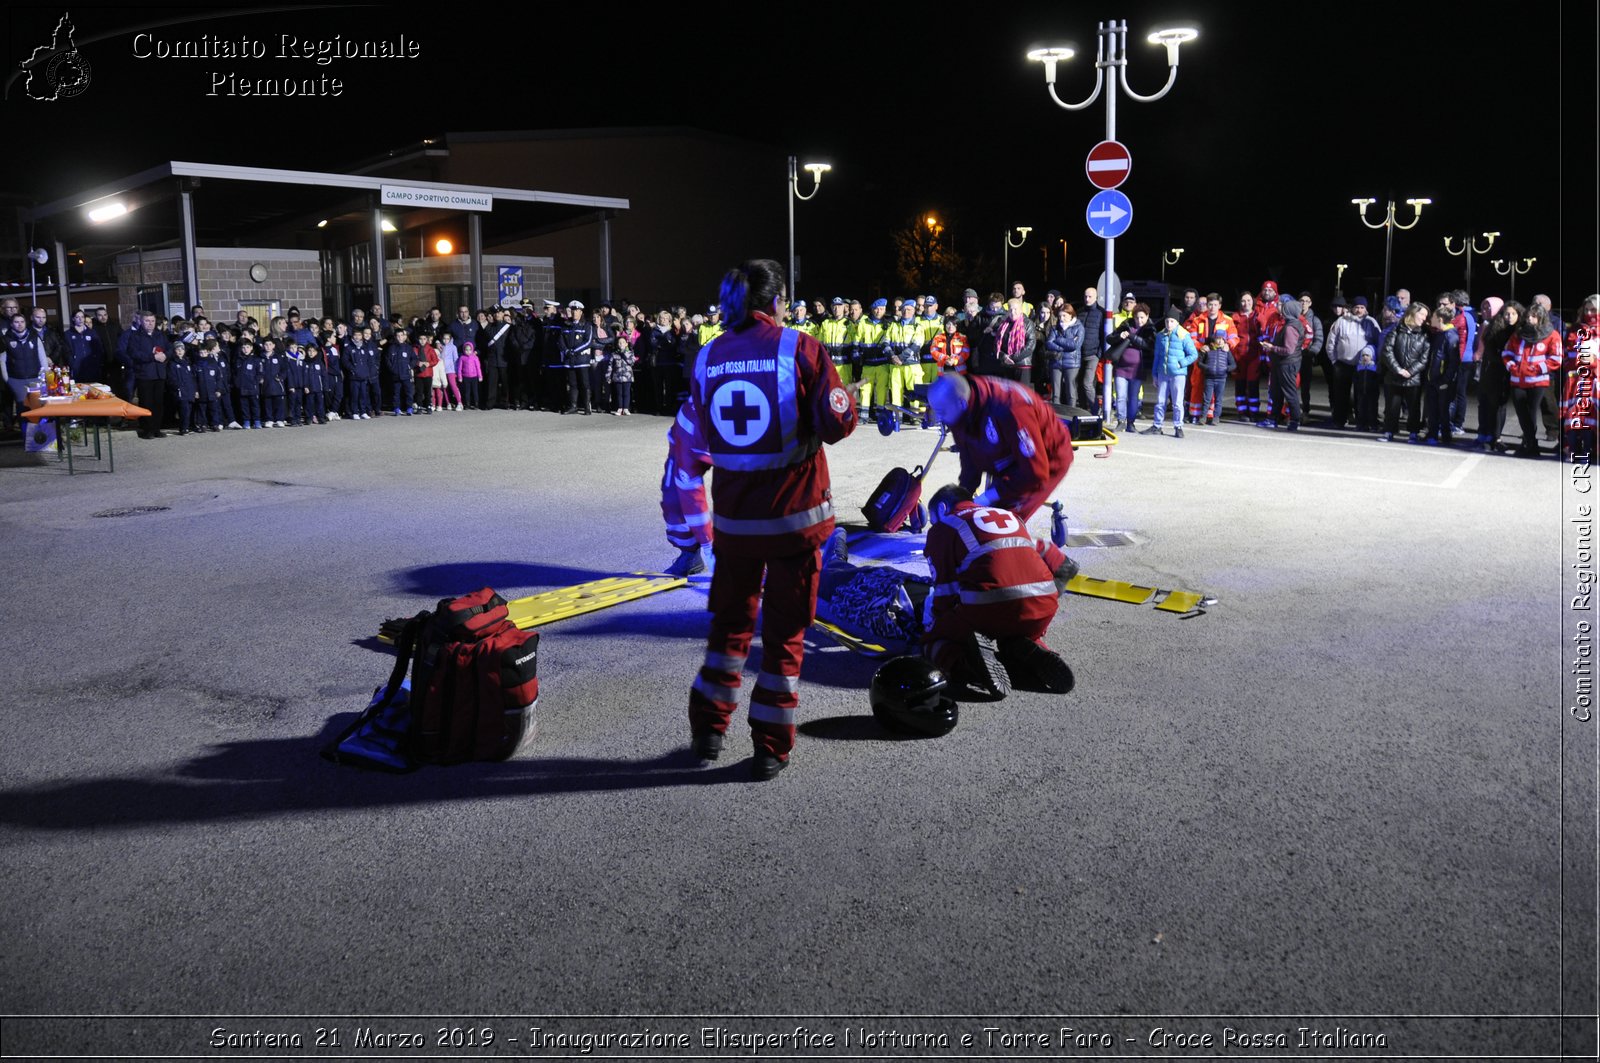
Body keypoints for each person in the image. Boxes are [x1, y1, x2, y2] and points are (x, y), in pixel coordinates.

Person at [681, 258, 857, 780]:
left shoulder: (707, 355)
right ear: (778, 301)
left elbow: (705, 430)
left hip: (735, 523)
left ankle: (708, 730)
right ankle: (769, 747)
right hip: (793, 521)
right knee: (783, 635)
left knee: (729, 628)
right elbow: (837, 424)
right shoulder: (799, 347)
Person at [921, 484, 1076, 699]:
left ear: (942, 507)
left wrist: (941, 625)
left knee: (932, 640)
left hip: (989, 607)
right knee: (1017, 630)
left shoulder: (944, 527)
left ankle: (967, 666)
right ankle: (1031, 649)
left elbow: (944, 592)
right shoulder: (1008, 516)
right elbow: (1061, 564)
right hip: (1043, 606)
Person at [927, 371, 1073, 525]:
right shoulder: (960, 404)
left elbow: (1034, 471)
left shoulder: (1011, 408)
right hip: (1009, 458)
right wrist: (963, 497)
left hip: (1044, 460)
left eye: (941, 412)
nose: (940, 418)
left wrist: (990, 496)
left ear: (962, 403)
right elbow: (968, 454)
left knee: (1002, 523)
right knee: (980, 520)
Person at [1502, 301, 1563, 457]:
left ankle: (1529, 444)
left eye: (1533, 317)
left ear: (1541, 318)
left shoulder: (1552, 335)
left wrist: (1536, 369)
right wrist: (1512, 366)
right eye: (1528, 316)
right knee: (1522, 413)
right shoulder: (1518, 333)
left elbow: (1556, 358)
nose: (1529, 319)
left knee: (1531, 412)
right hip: (1517, 380)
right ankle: (1530, 442)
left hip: (1538, 381)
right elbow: (1507, 352)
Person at [1379, 303, 1431, 442]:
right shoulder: (1396, 330)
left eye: (1426, 316)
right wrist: (1398, 369)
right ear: (1412, 313)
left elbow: (1424, 358)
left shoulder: (1424, 334)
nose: (1424, 318)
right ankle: (1389, 431)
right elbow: (1387, 352)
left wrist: (1410, 371)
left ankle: (1413, 433)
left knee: (1414, 407)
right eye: (1422, 314)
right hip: (1394, 376)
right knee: (1392, 406)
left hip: (1413, 378)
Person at [1144, 312, 1199, 437]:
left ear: (1177, 322)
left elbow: (1193, 354)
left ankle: (1178, 427)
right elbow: (1157, 356)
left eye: (1172, 321)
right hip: (1163, 373)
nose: (1169, 324)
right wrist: (1154, 374)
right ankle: (1157, 425)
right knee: (1160, 401)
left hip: (1178, 374)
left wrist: (1181, 363)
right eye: (1167, 321)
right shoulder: (1160, 336)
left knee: (1177, 402)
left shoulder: (1183, 335)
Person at [1260, 293, 1306, 430]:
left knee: (1289, 393)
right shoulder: (1291, 324)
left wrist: (1272, 347)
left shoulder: (1291, 327)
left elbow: (1288, 350)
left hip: (1286, 364)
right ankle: (1273, 418)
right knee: (1276, 393)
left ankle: (1294, 421)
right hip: (1281, 364)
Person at [1562, 296, 1599, 461]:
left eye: (1594, 310)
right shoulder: (1575, 330)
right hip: (1576, 380)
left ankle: (1591, 450)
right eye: (1587, 310)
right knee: (1575, 415)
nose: (1590, 313)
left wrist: (1595, 362)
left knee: (1592, 417)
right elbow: (1567, 356)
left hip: (1597, 380)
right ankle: (1574, 448)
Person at [1421, 306, 1461, 445]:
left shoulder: (1451, 335)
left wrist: (1446, 379)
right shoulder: (1440, 334)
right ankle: (1432, 434)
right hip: (1433, 378)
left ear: (1440, 319)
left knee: (1443, 410)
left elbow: (1453, 362)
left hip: (1443, 381)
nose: (1430, 319)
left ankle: (1446, 436)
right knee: (1433, 409)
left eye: (1432, 317)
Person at [557, 301, 595, 415]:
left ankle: (587, 406)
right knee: (572, 384)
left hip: (582, 360)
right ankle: (573, 406)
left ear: (581, 312)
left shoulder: (586, 325)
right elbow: (560, 341)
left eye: (576, 310)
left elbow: (588, 342)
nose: (574, 313)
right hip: (570, 360)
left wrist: (574, 351)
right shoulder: (566, 325)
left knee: (584, 384)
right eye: (572, 310)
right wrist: (567, 351)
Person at [1042, 303, 1083, 405]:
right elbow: (1049, 343)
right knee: (1055, 393)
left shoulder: (1078, 327)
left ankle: (1071, 414)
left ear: (1071, 315)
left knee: (1071, 392)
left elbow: (1075, 345)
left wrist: (1058, 340)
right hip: (1056, 361)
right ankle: (1056, 415)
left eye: (1064, 315)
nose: (1061, 318)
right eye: (1060, 316)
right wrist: (1064, 346)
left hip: (1072, 362)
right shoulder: (1055, 328)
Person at [457, 341, 483, 411]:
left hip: (474, 377)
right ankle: (467, 404)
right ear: (464, 350)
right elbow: (459, 368)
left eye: (469, 350)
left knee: (475, 391)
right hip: (465, 377)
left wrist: (480, 376)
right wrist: (460, 376)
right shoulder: (462, 357)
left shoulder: (475, 357)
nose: (468, 351)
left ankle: (476, 404)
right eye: (466, 350)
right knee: (467, 391)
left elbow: (478, 367)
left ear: (472, 350)